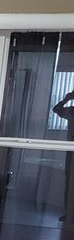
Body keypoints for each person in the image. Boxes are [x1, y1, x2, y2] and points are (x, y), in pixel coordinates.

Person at [53, 90, 74, 224]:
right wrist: (66, 99)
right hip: (70, 150)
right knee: (69, 181)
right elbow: (56, 109)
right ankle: (69, 213)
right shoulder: (71, 111)